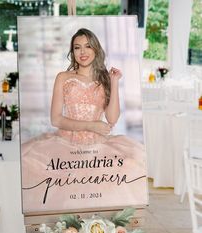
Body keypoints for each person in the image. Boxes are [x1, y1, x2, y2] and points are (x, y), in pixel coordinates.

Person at [21, 28, 147, 213]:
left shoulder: (105, 79)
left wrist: (114, 81)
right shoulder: (63, 77)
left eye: (88, 46)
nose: (83, 52)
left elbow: (111, 118)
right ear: (72, 52)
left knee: (128, 167)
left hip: (97, 147)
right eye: (77, 47)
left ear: (96, 48)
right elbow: (55, 119)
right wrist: (91, 125)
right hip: (65, 144)